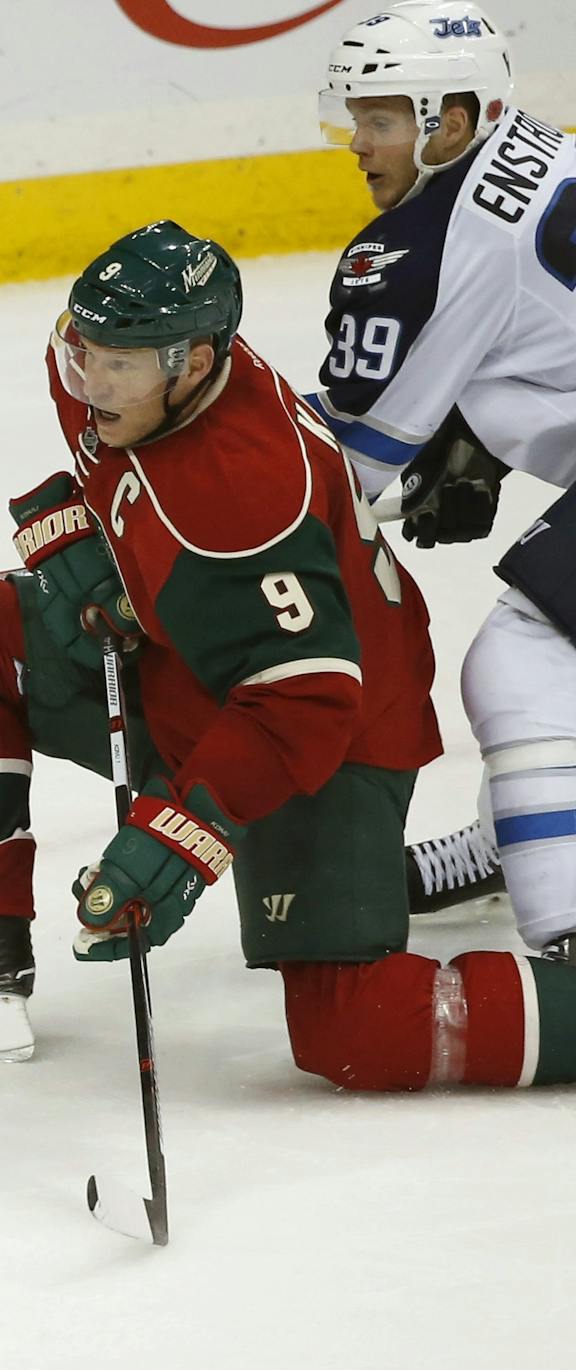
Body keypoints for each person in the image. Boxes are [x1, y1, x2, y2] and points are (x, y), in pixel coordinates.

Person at [0, 220, 576, 1095]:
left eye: (123, 365)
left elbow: (306, 700)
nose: (93, 382)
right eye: (86, 351)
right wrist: (94, 545)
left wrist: (183, 840)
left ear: (194, 362)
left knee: (363, 1033)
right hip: (193, 660)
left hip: (328, 732)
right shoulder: (116, 361)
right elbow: (123, 473)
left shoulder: (246, 498)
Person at [304, 2, 576, 937]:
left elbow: (344, 462)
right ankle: (524, 835)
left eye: (379, 120)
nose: (356, 142)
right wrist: (479, 432)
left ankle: (564, 931)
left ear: (450, 123)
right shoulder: (532, 145)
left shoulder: (419, 248)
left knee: (526, 660)